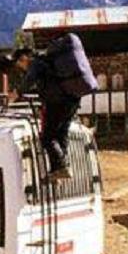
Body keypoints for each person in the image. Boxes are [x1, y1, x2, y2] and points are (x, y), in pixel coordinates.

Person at [12, 34, 97, 180]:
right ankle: (61, 168)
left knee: (47, 137)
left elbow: (29, 80)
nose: (22, 68)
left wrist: (16, 93)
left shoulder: (36, 63)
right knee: (61, 135)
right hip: (72, 100)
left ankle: (60, 166)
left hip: (57, 102)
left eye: (20, 65)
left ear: (24, 58)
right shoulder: (49, 62)